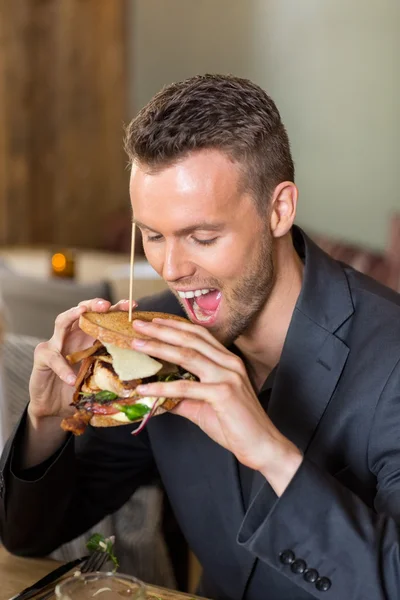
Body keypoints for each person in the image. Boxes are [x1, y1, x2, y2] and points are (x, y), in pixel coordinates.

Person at [1, 74, 400, 600]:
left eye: (203, 237)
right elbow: (30, 536)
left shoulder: (391, 354)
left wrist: (270, 453)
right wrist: (47, 421)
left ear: (279, 210)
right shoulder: (158, 337)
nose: (171, 268)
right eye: (152, 235)